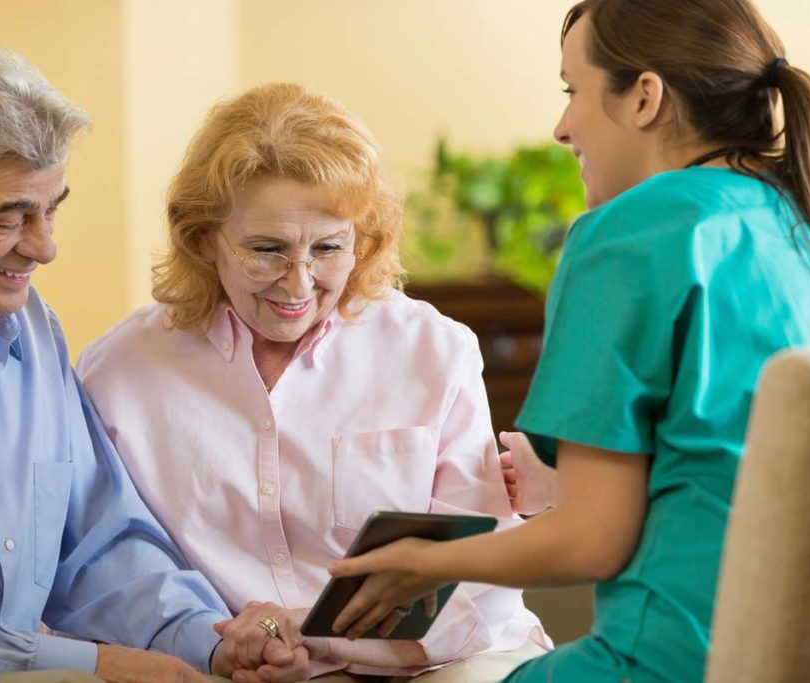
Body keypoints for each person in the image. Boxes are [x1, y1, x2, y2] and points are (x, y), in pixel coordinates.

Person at [325, 1, 810, 681]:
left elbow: (593, 541)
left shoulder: (627, 235)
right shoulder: (801, 224)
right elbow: (731, 464)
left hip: (663, 660)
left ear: (645, 97)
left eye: (573, 91)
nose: (562, 127)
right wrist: (568, 482)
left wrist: (422, 563)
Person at [0, 49, 309, 683]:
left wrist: (207, 641)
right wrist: (96, 664)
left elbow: (98, 543)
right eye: (9, 217)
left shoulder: (28, 325)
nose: (45, 246)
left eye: (51, 209)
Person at [76, 82, 551, 682]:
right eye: (266, 249)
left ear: (364, 241)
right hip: (229, 666)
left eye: (328, 247)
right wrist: (234, 648)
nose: (298, 285)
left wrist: (319, 640)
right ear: (203, 239)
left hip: (443, 661)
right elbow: (109, 566)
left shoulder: (434, 350)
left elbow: (478, 573)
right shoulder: (117, 372)